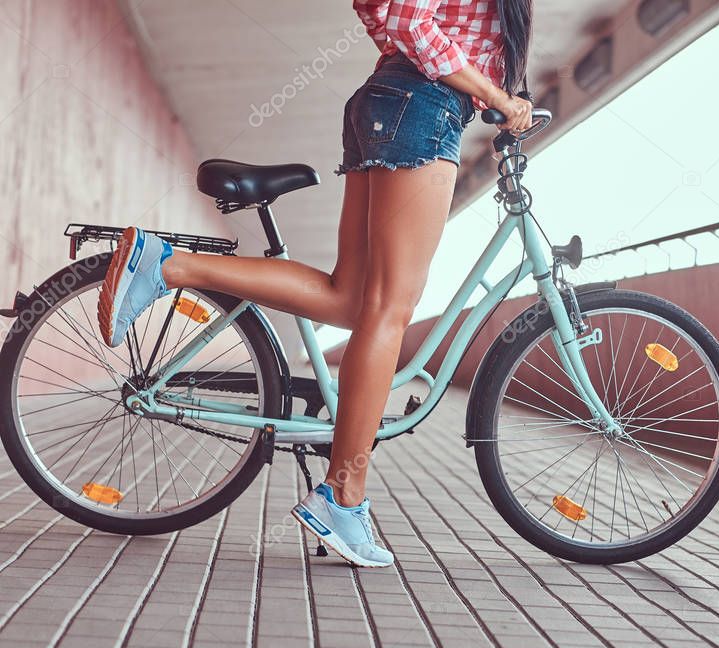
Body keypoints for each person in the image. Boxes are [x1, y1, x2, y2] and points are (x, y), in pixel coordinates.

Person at [97, 0, 534, 567]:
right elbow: (400, 13)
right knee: (389, 309)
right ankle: (342, 497)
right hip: (423, 106)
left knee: (353, 298)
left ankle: (169, 266)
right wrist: (497, 98)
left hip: (398, 100)